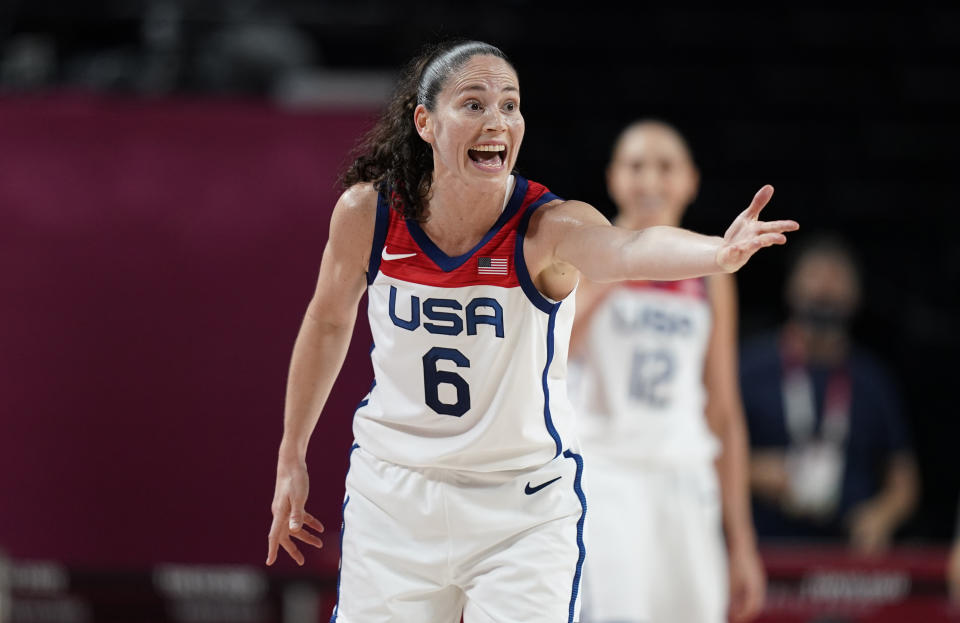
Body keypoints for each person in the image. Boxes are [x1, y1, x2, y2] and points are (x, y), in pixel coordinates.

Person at [264, 39, 798, 623]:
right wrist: (293, 452)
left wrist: (719, 252)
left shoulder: (546, 226)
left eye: (510, 105)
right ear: (424, 122)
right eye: (474, 104)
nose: (497, 120)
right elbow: (327, 320)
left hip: (520, 503)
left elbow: (632, 247)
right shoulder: (368, 214)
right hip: (394, 494)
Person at [568, 120, 765, 623]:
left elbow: (723, 410)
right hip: (607, 472)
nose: (650, 181)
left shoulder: (711, 272)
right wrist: (624, 259)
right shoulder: (583, 254)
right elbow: (545, 359)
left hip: (684, 473)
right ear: (613, 178)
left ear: (690, 180)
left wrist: (741, 541)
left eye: (665, 167)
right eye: (636, 166)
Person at [741, 233, 918, 554]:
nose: (825, 289)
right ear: (791, 288)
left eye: (836, 278)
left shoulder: (872, 380)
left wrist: (882, 515)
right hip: (763, 554)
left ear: (856, 294)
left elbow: (904, 481)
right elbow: (702, 457)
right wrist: (752, 471)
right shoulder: (748, 369)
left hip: (847, 560)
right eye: (815, 276)